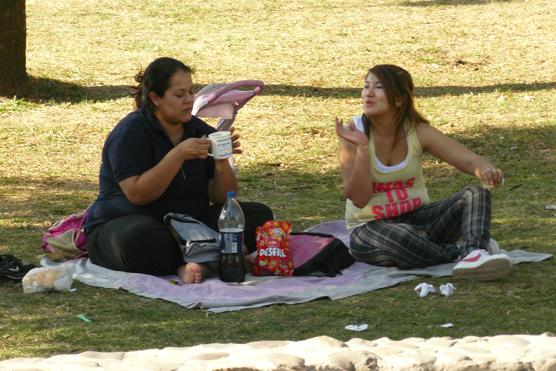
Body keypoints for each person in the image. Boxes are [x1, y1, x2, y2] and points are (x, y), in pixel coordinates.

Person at [85, 57, 273, 284]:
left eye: (191, 92)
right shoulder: (131, 132)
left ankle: (204, 258)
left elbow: (222, 198)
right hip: (132, 221)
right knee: (137, 239)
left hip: (189, 223)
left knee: (258, 217)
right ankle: (210, 258)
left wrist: (222, 160)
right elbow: (138, 195)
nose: (189, 100)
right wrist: (178, 155)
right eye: (179, 94)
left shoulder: (198, 129)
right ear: (155, 98)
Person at [335, 64, 511, 280]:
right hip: (369, 228)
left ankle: (474, 253)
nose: (368, 93)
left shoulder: (416, 131)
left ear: (399, 99)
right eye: (366, 86)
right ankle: (460, 252)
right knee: (403, 238)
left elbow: (467, 158)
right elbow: (359, 199)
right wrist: (362, 148)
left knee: (475, 194)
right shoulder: (354, 133)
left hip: (420, 220)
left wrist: (486, 169)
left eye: (378, 87)